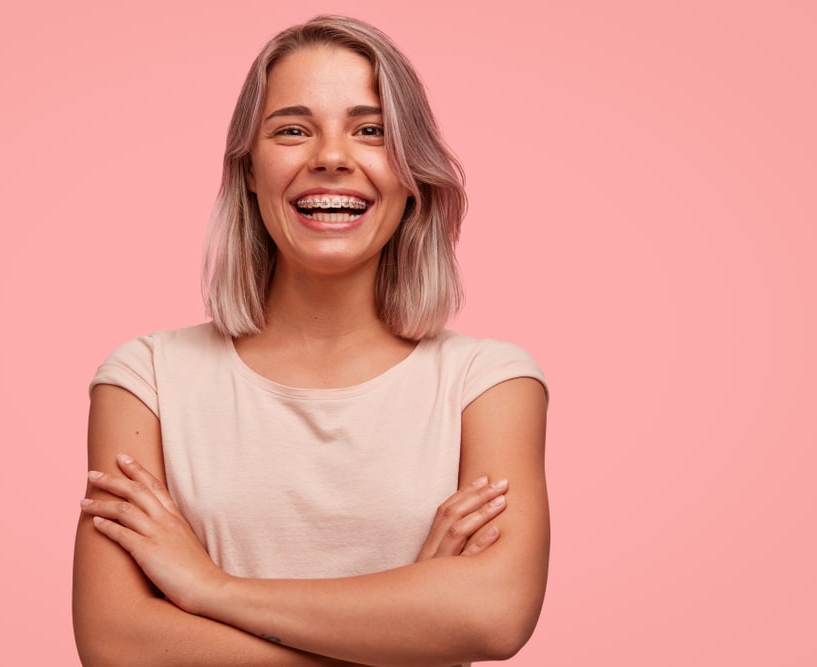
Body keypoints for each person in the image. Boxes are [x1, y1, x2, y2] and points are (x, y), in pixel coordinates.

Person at [73, 15, 549, 667]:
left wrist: (211, 588)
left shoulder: (488, 383)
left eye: (371, 131)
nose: (330, 156)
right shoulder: (147, 379)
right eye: (293, 129)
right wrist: (406, 637)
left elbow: (494, 614)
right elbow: (117, 642)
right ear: (247, 167)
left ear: (412, 173)